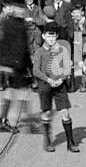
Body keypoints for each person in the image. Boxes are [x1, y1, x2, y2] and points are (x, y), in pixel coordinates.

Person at [0, 0, 33, 134]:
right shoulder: (12, 25)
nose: (23, 11)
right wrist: (12, 64)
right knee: (20, 92)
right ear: (14, 9)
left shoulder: (16, 24)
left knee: (13, 92)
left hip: (15, 64)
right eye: (20, 9)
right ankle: (24, 123)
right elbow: (8, 46)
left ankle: (3, 121)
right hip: (15, 65)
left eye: (23, 9)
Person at [33, 21, 79, 152]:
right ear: (43, 36)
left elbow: (67, 67)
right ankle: (47, 140)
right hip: (45, 85)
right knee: (46, 113)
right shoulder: (39, 52)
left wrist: (61, 79)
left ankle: (70, 143)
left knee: (65, 112)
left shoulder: (62, 50)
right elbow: (36, 71)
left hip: (59, 85)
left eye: (53, 36)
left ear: (57, 36)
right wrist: (48, 79)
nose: (51, 39)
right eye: (48, 36)